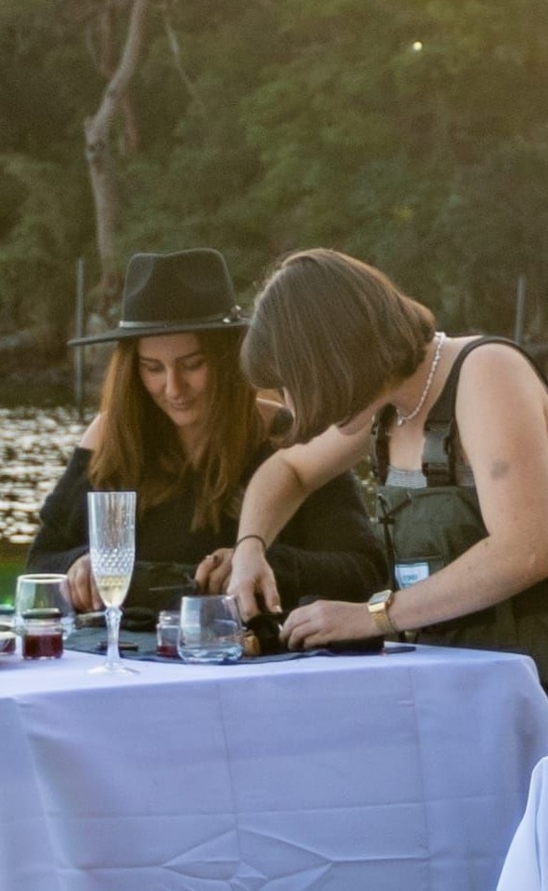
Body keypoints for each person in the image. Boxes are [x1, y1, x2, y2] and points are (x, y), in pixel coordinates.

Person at [228, 250, 548, 745]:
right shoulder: (388, 403)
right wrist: (250, 549)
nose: (293, 405)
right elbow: (289, 470)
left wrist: (372, 615)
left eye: (292, 383)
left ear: (333, 359)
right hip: (449, 676)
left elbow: (524, 552)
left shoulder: (485, 372)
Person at [34, 249, 391, 629]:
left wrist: (264, 563)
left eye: (193, 365)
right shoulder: (109, 436)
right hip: (132, 656)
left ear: (229, 359)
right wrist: (76, 565)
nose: (174, 388)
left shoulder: (285, 435)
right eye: (153, 368)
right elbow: (40, 563)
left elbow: (365, 570)